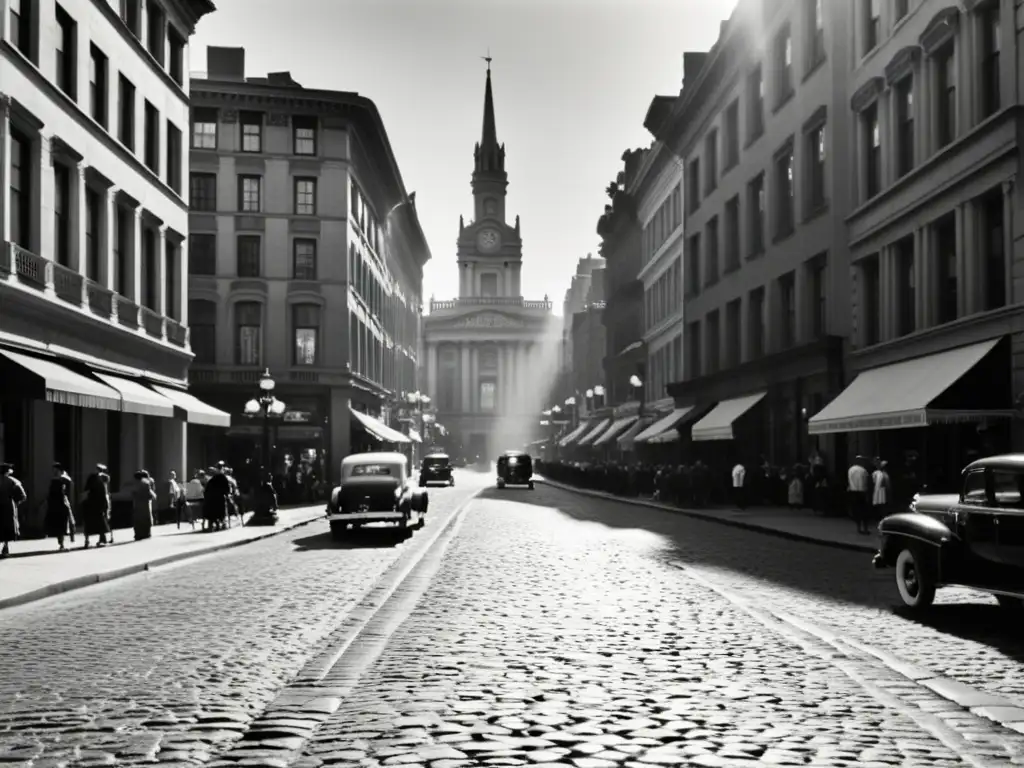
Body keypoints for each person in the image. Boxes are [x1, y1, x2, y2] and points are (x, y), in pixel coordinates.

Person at [46, 462, 75, 551]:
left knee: (67, 521)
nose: (53, 471)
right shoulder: (54, 479)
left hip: (62, 502)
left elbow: (70, 486)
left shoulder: (63, 478)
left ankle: (69, 538)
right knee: (59, 523)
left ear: (58, 469)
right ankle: (61, 542)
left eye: (54, 469)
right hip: (55, 503)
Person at [81, 463, 112, 548]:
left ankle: (98, 539)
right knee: (97, 521)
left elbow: (87, 490)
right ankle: (92, 540)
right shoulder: (97, 478)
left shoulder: (100, 478)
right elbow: (87, 490)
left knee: (98, 521)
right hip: (95, 502)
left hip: (97, 502)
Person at [0, 463, 27, 558]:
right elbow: (23, 496)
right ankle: (5, 547)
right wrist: (16, 503)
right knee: (7, 526)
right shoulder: (13, 481)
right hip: (8, 507)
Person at [131, 470, 157, 540]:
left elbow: (133, 494)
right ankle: (146, 533)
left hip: (137, 505)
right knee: (146, 518)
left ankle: (138, 534)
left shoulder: (135, 484)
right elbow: (151, 495)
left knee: (138, 519)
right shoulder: (146, 483)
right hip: (145, 505)